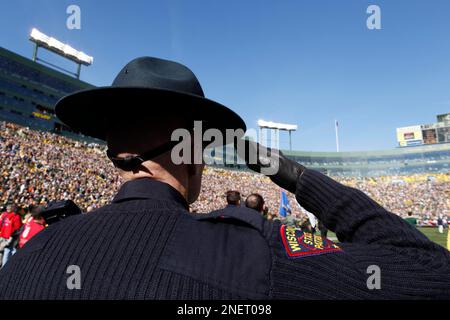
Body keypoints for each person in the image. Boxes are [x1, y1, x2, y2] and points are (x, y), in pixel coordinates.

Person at [0, 56, 449, 299]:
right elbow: (432, 272)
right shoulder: (249, 249)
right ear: (192, 152)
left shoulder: (32, 253)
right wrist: (288, 172)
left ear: (114, 148)